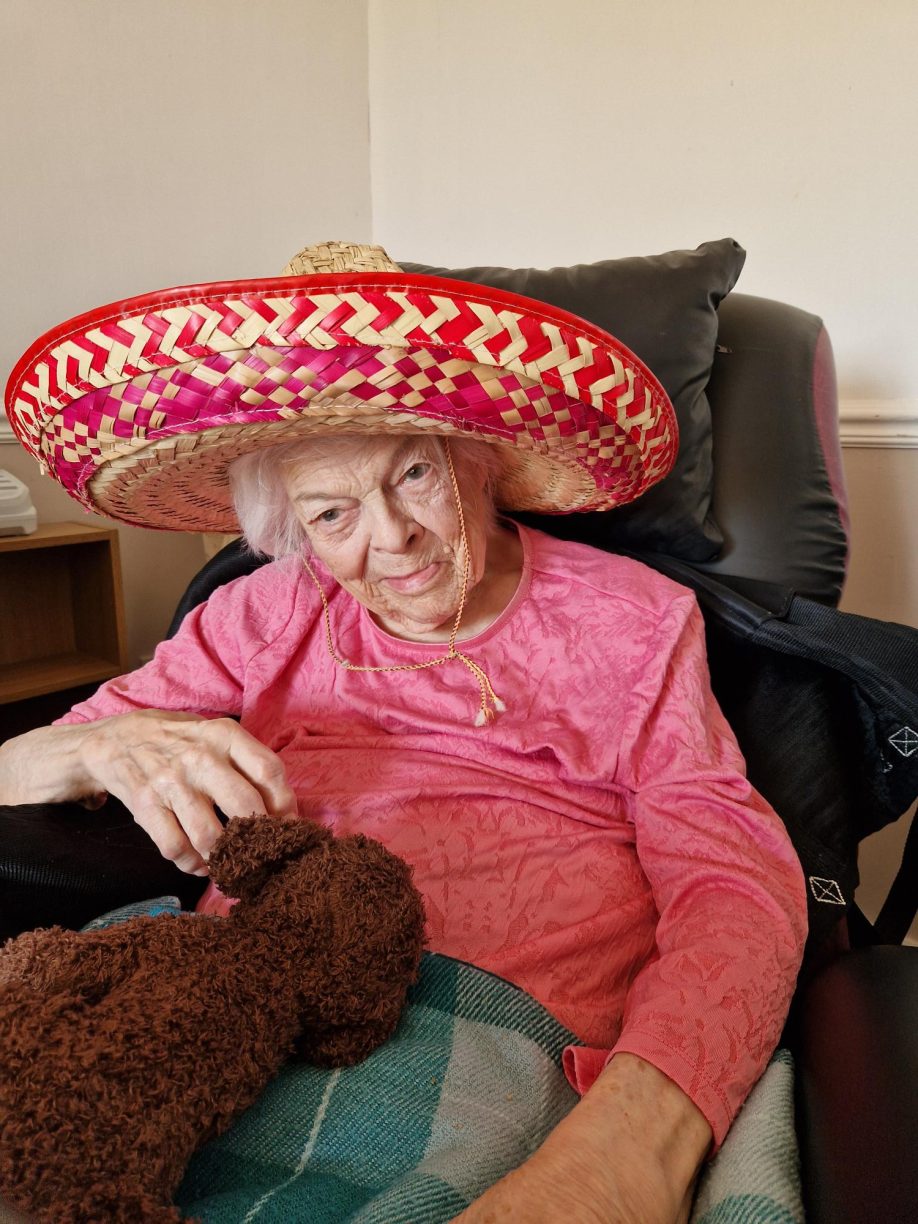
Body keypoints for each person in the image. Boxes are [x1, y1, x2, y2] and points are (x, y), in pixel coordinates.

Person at [0, 241, 806, 1223]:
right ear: (290, 528)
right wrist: (96, 746)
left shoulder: (629, 619)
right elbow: (27, 762)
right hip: (238, 1009)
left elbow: (733, 881)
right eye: (332, 512)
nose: (389, 538)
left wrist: (632, 1142)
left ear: (478, 458)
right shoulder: (262, 612)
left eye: (413, 474)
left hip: (504, 1027)